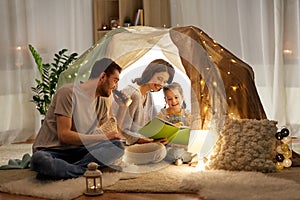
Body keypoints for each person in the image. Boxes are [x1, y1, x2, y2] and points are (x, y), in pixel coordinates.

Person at [30, 58, 124, 180]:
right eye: (115, 80)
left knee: (117, 146)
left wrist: (122, 107)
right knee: (40, 160)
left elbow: (114, 133)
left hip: (78, 151)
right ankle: (84, 170)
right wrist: (104, 137)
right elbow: (64, 136)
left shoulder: (101, 102)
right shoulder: (68, 93)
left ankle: (68, 170)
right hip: (52, 151)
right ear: (102, 77)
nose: (115, 86)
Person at [112, 59, 175, 165]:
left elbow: (148, 126)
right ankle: (121, 160)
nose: (161, 84)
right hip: (123, 145)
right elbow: (123, 132)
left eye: (164, 81)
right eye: (159, 79)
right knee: (160, 151)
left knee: (170, 146)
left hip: (138, 142)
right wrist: (147, 141)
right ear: (150, 73)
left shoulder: (148, 95)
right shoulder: (134, 94)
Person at [156, 82, 194, 165]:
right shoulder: (162, 114)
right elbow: (158, 132)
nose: (173, 101)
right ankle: (179, 158)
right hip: (169, 146)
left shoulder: (187, 114)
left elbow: (193, 133)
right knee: (166, 151)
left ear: (182, 97)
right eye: (169, 99)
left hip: (183, 146)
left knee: (191, 150)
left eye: (176, 97)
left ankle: (180, 158)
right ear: (165, 100)